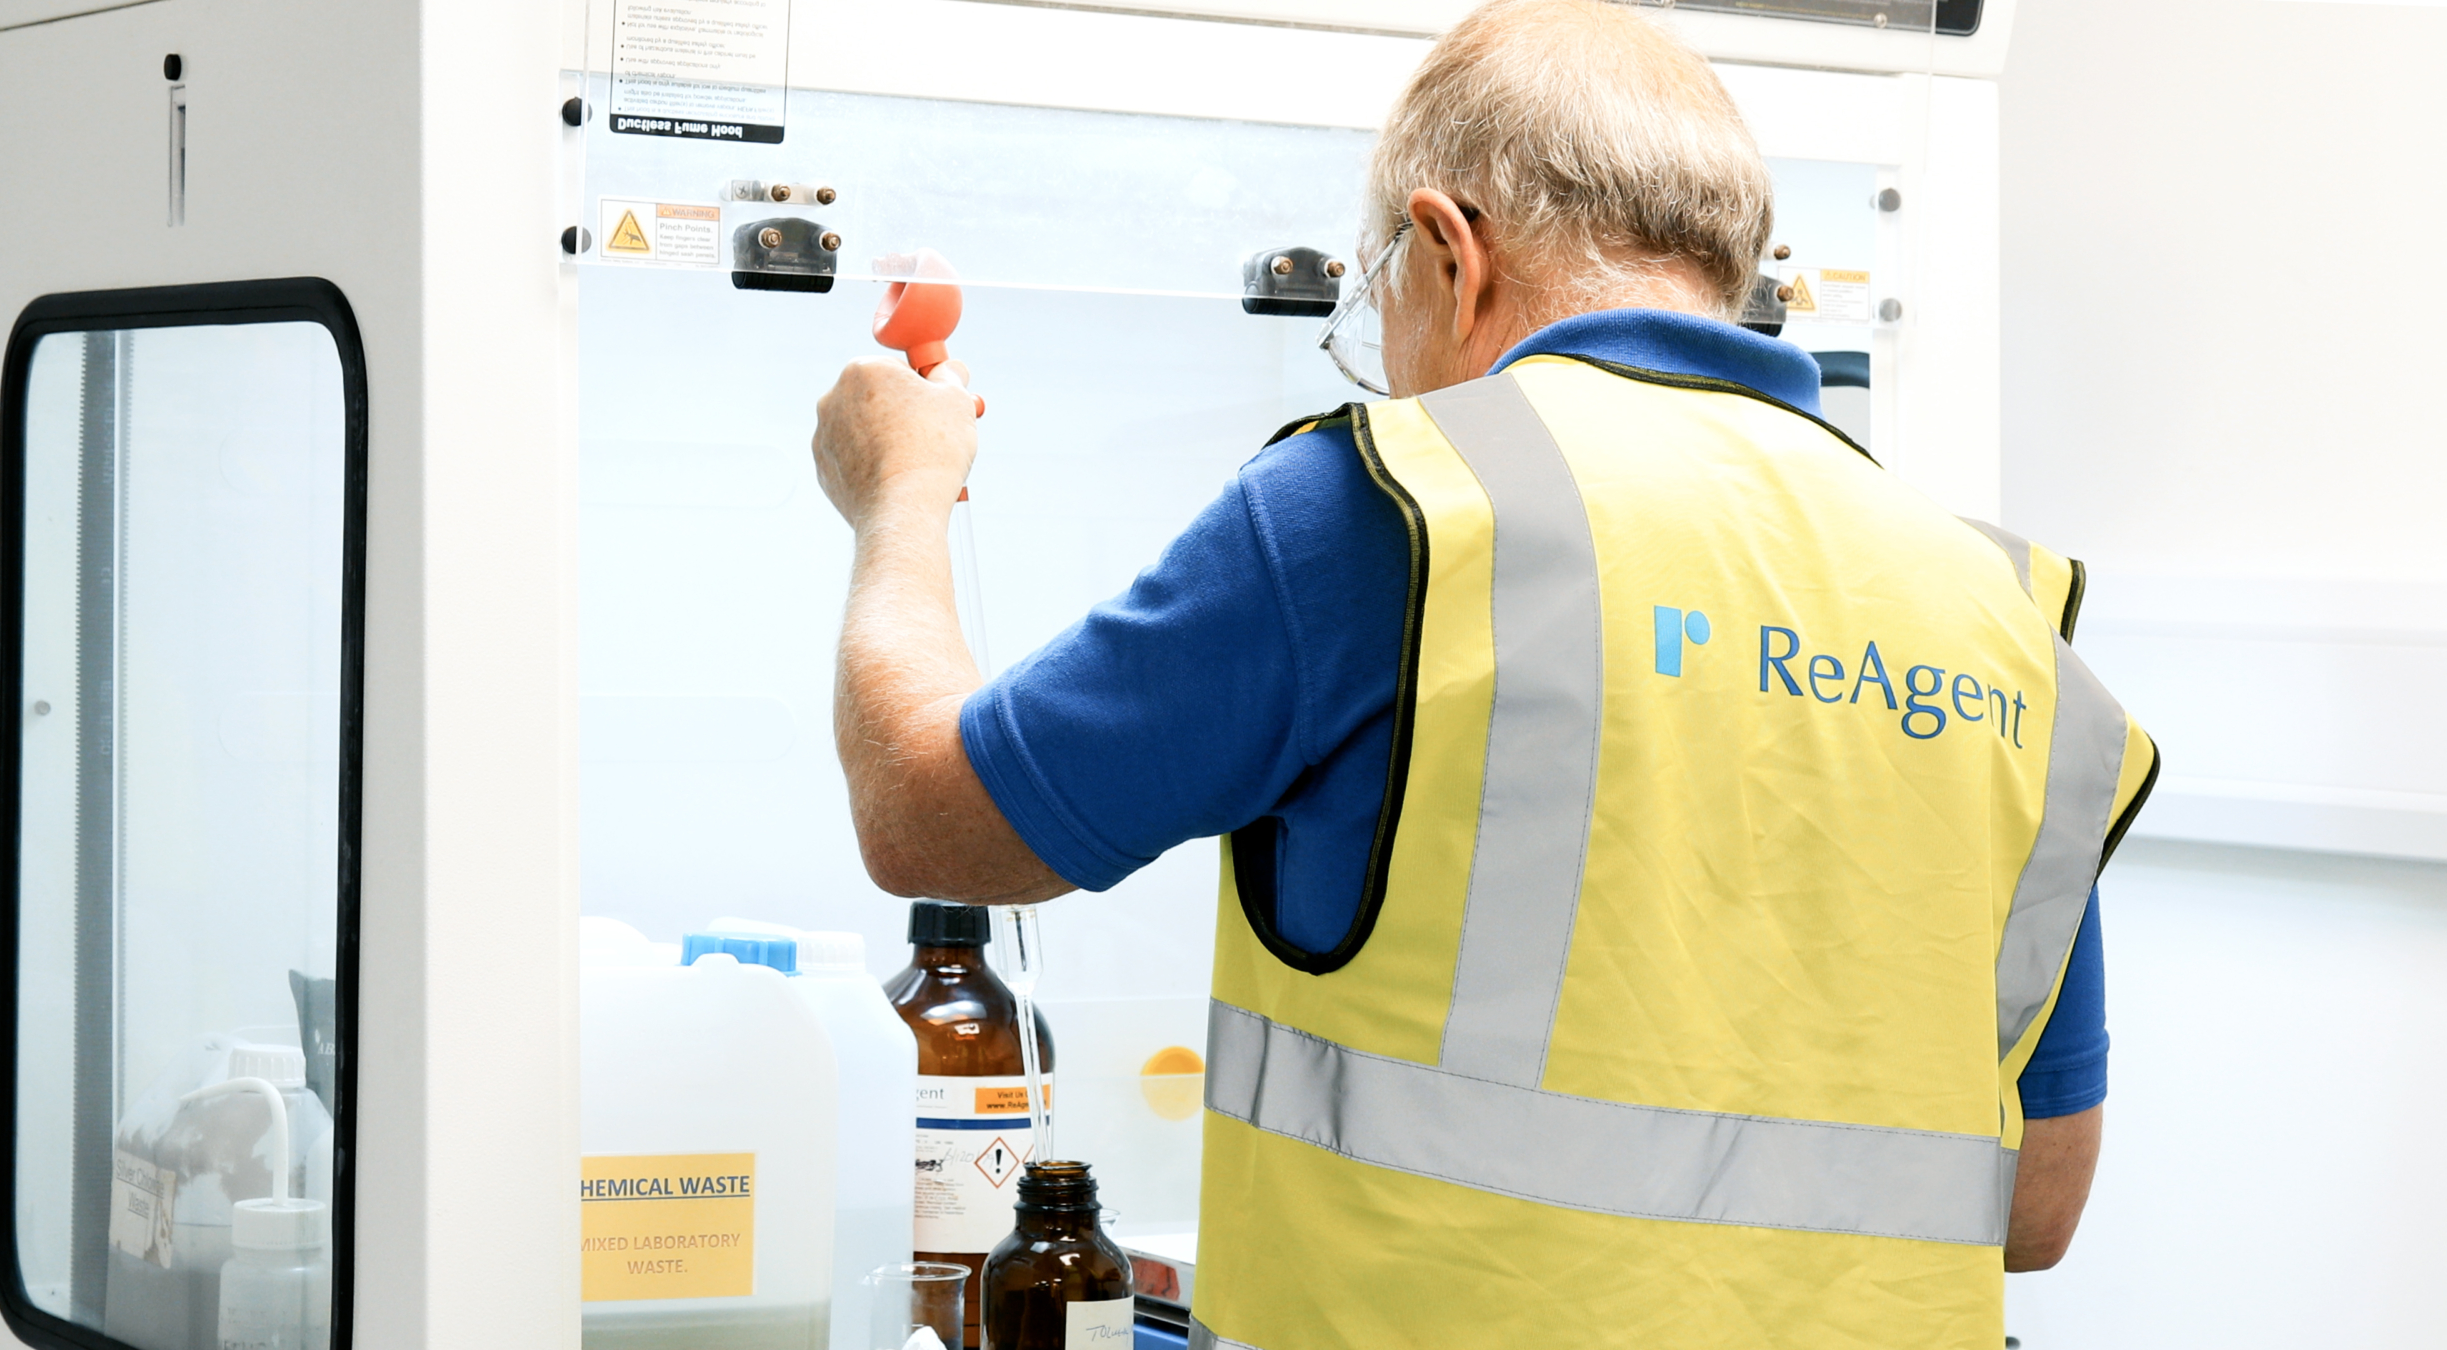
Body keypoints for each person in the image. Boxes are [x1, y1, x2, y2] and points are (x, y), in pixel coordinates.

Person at [807, 0, 2155, 1343]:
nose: (1386, 365)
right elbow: (2036, 1204)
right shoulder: (1999, 617)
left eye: (1374, 299)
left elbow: (928, 813)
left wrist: (900, 494)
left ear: (1450, 251)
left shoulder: (1391, 513)